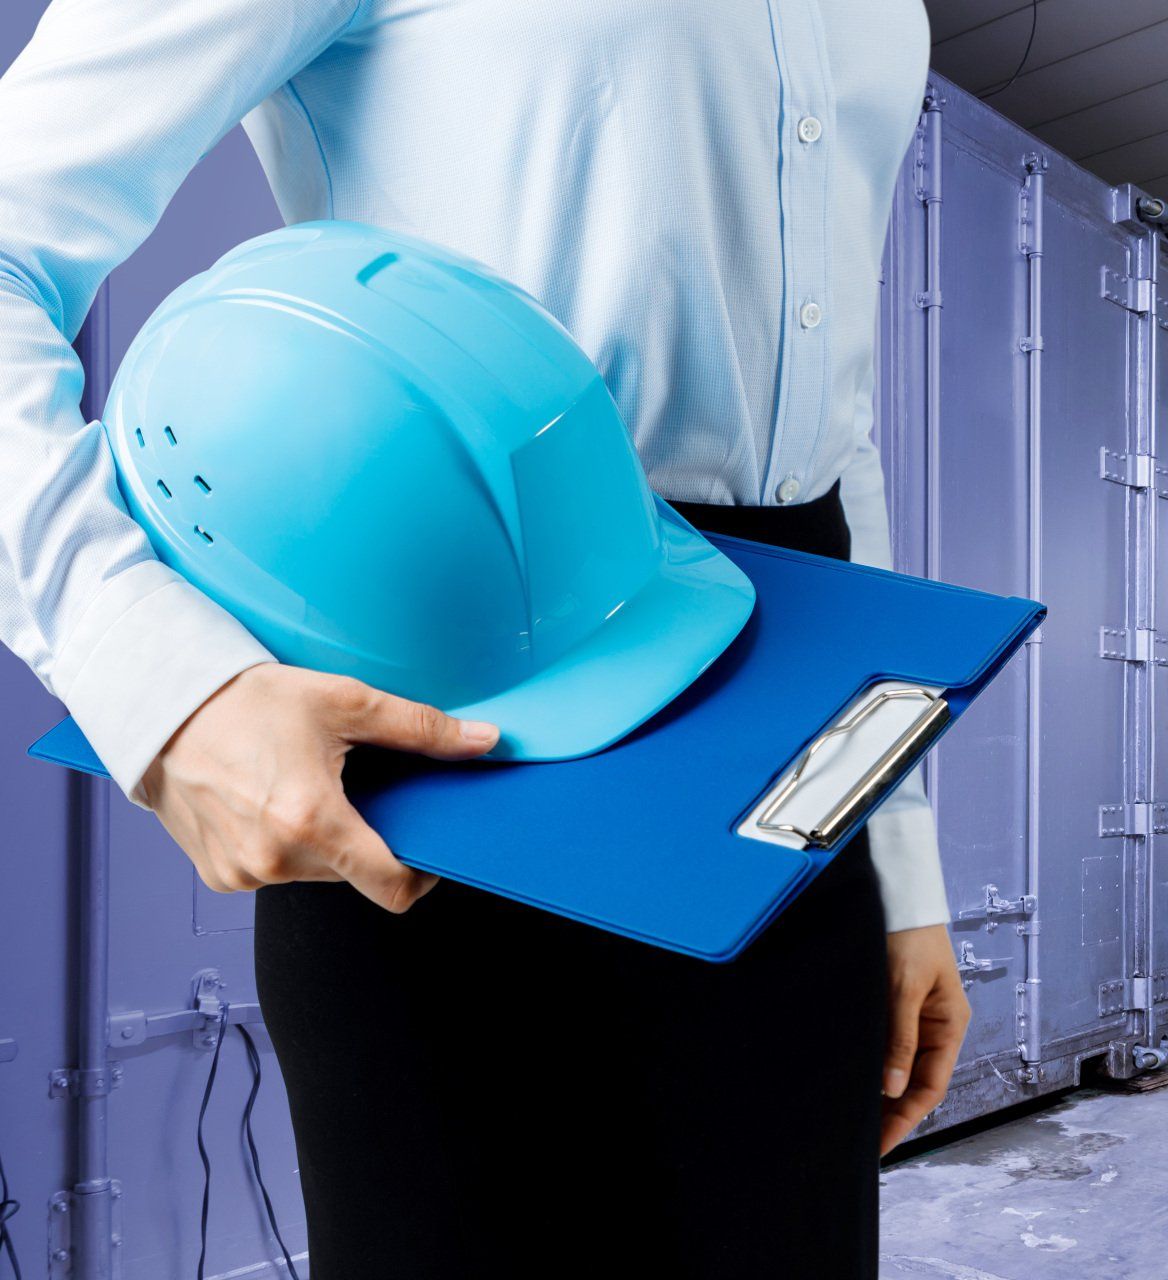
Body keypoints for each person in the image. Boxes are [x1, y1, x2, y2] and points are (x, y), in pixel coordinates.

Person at [0, 1, 966, 1275]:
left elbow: (836, 426)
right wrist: (161, 674)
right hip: (466, 735)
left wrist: (896, 844)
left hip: (788, 755)